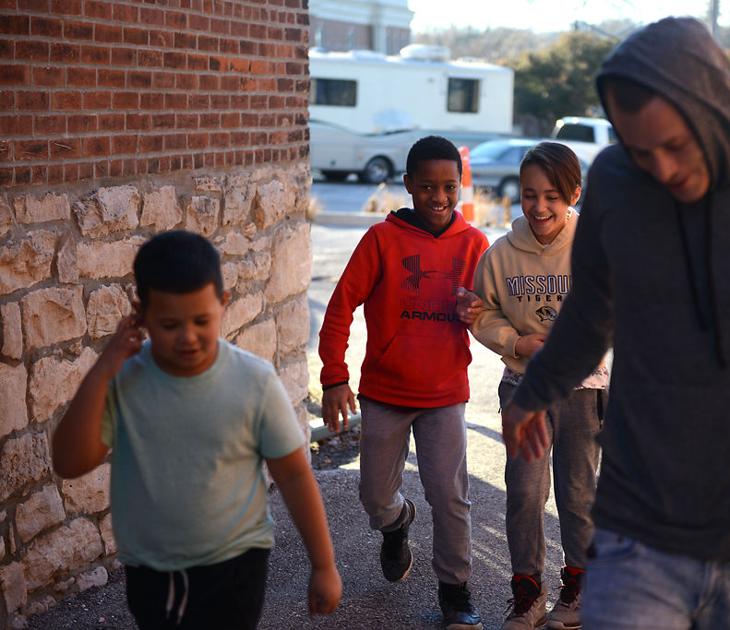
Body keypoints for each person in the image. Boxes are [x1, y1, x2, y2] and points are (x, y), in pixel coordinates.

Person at [500, 17, 730, 630]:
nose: (664, 169)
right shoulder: (618, 184)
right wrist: (535, 390)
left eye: (677, 146)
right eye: (641, 151)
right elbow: (592, 314)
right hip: (633, 521)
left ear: (719, 111)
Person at [52, 230, 342, 629]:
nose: (188, 337)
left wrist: (324, 564)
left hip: (237, 563)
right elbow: (69, 462)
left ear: (222, 304)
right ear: (142, 315)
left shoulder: (254, 381)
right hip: (151, 569)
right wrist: (104, 368)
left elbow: (292, 473)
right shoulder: (124, 381)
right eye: (169, 324)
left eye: (201, 320)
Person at [318, 135, 489, 630]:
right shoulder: (381, 239)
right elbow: (340, 306)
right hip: (385, 393)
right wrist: (334, 377)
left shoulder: (475, 244)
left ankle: (455, 592)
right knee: (374, 497)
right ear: (409, 184)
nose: (439, 197)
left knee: (451, 496)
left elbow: (494, 314)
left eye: (449, 187)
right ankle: (397, 524)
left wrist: (478, 314)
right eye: (428, 186)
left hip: (443, 394)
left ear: (460, 186)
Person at [460, 142, 607, 630]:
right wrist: (518, 342)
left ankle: (581, 589)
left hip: (585, 388)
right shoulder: (501, 254)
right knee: (524, 490)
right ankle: (528, 593)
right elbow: (480, 313)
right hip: (523, 387)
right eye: (529, 195)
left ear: (573, 195)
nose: (539, 207)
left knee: (578, 491)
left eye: (552, 196)